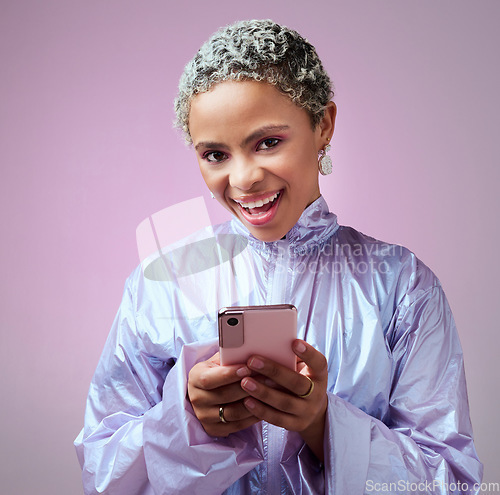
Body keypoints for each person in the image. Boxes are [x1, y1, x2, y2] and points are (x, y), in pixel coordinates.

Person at [75, 19, 483, 494]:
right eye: (214, 154)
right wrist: (187, 423)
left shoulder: (401, 285)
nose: (243, 178)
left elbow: (453, 482)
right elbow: (104, 475)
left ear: (323, 125)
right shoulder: (163, 281)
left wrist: (324, 426)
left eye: (268, 142)